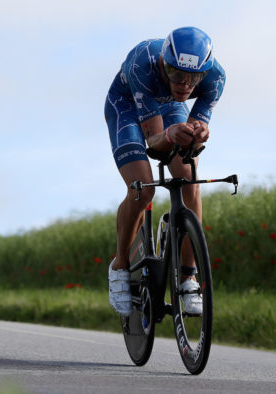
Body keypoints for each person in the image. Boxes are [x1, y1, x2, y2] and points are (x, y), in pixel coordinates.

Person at [104, 26, 225, 316]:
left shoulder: (216, 78)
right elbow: (155, 143)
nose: (185, 85)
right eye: (176, 74)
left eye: (193, 78)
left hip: (170, 110)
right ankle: (120, 266)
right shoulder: (143, 63)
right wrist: (172, 135)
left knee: (189, 178)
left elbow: (190, 141)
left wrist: (198, 133)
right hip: (128, 108)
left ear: (204, 73)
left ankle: (187, 277)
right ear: (163, 63)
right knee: (142, 189)